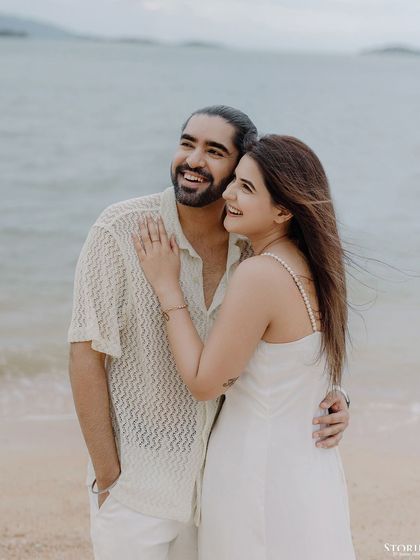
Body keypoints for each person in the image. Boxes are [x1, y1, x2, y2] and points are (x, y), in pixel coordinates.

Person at [68, 106, 351, 560]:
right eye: (187, 143)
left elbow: (284, 345)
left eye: (215, 152)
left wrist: (333, 394)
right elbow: (85, 355)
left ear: (238, 167)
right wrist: (108, 476)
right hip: (141, 487)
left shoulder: (252, 247)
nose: (194, 160)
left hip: (219, 488)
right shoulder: (120, 230)